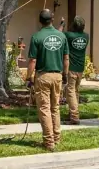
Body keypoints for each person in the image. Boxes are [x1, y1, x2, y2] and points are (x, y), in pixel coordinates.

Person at [26, 9, 70, 151]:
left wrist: (28, 77)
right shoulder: (62, 36)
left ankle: (49, 141)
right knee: (55, 108)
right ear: (52, 19)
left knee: (44, 109)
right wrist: (65, 75)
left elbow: (33, 60)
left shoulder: (36, 37)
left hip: (43, 76)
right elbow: (66, 58)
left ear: (40, 21)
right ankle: (56, 137)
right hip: (57, 75)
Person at [62, 16, 89, 125]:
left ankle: (74, 117)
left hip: (71, 68)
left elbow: (59, 34)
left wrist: (62, 24)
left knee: (70, 91)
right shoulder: (86, 36)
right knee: (76, 91)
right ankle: (73, 113)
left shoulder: (69, 35)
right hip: (80, 68)